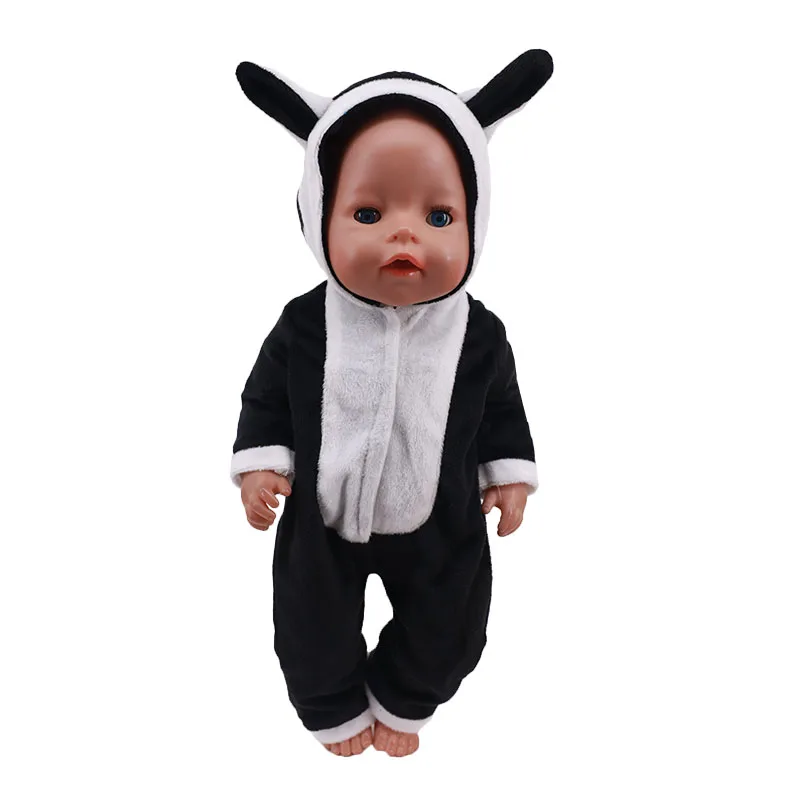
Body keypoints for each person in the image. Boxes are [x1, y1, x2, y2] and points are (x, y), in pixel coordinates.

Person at [230, 50, 553, 757]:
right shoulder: (305, 323)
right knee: (307, 623)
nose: (405, 234)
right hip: (322, 515)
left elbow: (502, 407)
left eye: (438, 214)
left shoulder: (478, 333)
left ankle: (405, 696)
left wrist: (509, 475)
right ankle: (331, 706)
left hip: (441, 514)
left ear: (475, 221)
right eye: (369, 212)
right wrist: (261, 465)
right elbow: (266, 397)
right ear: (318, 216)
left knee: (454, 623)